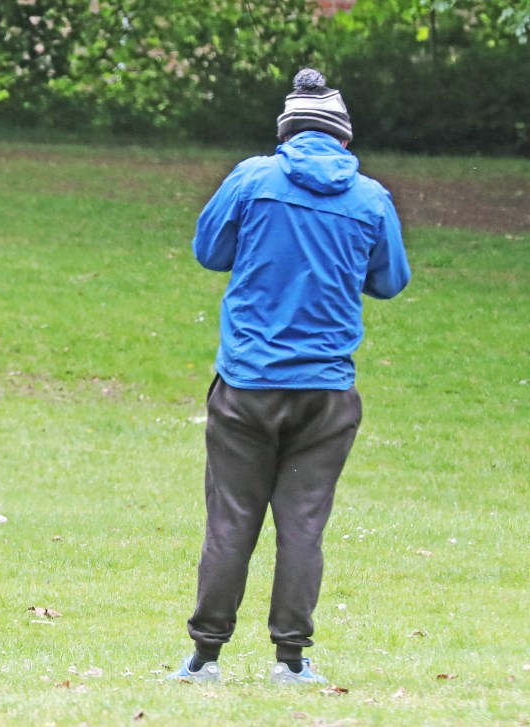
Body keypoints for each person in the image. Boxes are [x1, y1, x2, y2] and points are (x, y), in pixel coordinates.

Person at [168, 69, 411, 685]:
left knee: (231, 522)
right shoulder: (371, 198)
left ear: (285, 134)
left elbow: (209, 251)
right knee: (303, 525)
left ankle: (203, 659)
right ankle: (292, 661)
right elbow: (390, 282)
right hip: (327, 392)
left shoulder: (253, 179)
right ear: (344, 142)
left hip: (247, 384)